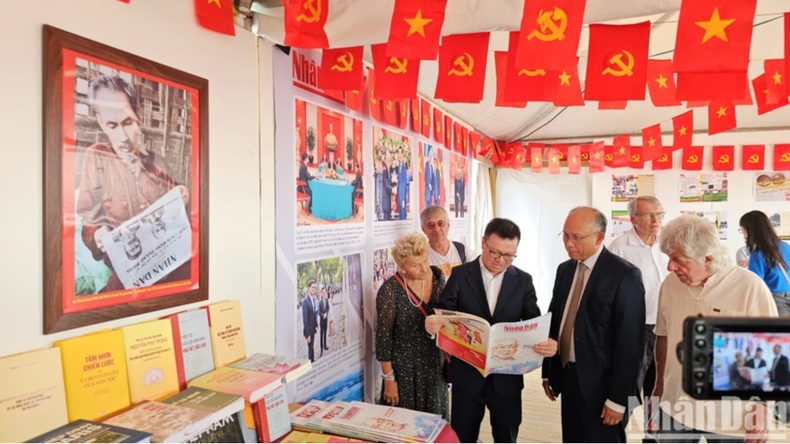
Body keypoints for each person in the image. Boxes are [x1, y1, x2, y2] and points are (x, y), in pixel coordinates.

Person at [425, 218, 558, 443]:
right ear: (483, 242)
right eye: (494, 252)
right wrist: (433, 324)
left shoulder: (523, 280)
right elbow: (444, 312)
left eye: (508, 255)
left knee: (506, 437)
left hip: (507, 378)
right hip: (468, 376)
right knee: (463, 436)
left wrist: (547, 340)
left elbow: (533, 321)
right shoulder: (461, 275)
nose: (500, 260)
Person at [653, 215, 776, 442]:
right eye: (669, 258)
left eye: (678, 259)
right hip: (675, 407)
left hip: (731, 414)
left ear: (707, 258)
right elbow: (663, 337)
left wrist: (764, 409)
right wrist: (658, 390)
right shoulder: (670, 285)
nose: (670, 266)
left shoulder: (749, 287)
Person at [77, 74, 190, 294]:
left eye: (127, 123)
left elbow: (184, 214)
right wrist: (97, 236)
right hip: (132, 271)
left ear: (138, 117)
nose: (122, 136)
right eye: (112, 125)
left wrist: (184, 196)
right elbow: (88, 221)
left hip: (175, 263)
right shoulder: (96, 158)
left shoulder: (158, 162)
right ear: (101, 123)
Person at [542, 207, 646, 443]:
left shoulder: (624, 275)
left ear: (599, 237)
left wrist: (619, 399)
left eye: (576, 237)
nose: (568, 243)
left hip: (603, 385)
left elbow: (631, 344)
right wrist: (549, 371)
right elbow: (556, 320)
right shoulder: (565, 270)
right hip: (569, 376)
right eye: (565, 235)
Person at [607, 196, 668, 438]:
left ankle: (652, 437)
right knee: (629, 388)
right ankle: (613, 435)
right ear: (633, 219)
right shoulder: (619, 247)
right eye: (648, 215)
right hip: (636, 330)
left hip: (667, 329)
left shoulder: (668, 244)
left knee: (660, 388)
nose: (656, 219)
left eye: (659, 214)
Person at [375, 233, 449, 419]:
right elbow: (383, 338)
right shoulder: (390, 290)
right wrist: (389, 379)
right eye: (415, 265)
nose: (424, 268)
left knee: (435, 424)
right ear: (402, 267)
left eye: (425, 260)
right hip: (404, 370)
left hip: (434, 365)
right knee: (405, 425)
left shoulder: (438, 276)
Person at [740, 211, 790, 316]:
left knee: (780, 331)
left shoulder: (758, 254)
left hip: (775, 298)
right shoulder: (785, 246)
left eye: (742, 229)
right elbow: (779, 265)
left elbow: (754, 282)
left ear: (751, 230)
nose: (743, 233)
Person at [420, 206, 473, 278]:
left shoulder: (463, 250)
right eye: (431, 225)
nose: (437, 229)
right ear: (423, 229)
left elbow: (475, 278)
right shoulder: (420, 256)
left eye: (440, 223)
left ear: (448, 225)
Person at [302, 281, 319, 362]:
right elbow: (305, 319)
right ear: (309, 288)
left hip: (313, 329)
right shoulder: (305, 301)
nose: (313, 289)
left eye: (314, 288)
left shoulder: (313, 299)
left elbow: (314, 314)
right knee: (310, 348)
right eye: (312, 287)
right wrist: (307, 334)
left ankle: (313, 361)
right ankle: (310, 363)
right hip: (308, 330)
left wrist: (316, 325)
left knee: (312, 347)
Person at [396, 148, 409, 220]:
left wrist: (403, 199)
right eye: (399, 153)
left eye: (401, 153)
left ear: (403, 155)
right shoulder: (399, 166)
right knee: (400, 213)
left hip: (402, 194)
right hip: (399, 192)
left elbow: (404, 183)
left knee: (403, 212)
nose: (400, 155)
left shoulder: (403, 167)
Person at [319, 288, 330, 357]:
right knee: (321, 335)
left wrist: (326, 313)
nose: (324, 293)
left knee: (325, 333)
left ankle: (325, 345)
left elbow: (328, 308)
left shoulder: (326, 300)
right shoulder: (319, 302)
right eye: (322, 292)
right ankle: (321, 350)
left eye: (324, 292)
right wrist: (323, 315)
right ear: (321, 293)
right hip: (321, 321)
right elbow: (319, 312)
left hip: (326, 320)